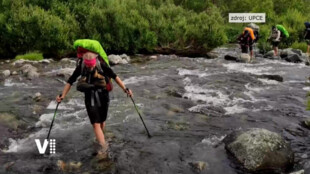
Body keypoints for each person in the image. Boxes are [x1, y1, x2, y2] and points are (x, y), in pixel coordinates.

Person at [56, 40, 133, 157]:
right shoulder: (81, 66)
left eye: (91, 64)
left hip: (103, 95)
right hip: (89, 97)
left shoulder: (101, 64)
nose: (90, 67)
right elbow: (70, 81)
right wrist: (62, 96)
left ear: (95, 60)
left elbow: (115, 76)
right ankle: (104, 149)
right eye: (88, 65)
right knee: (96, 124)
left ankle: (101, 139)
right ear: (84, 62)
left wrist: (125, 89)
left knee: (102, 122)